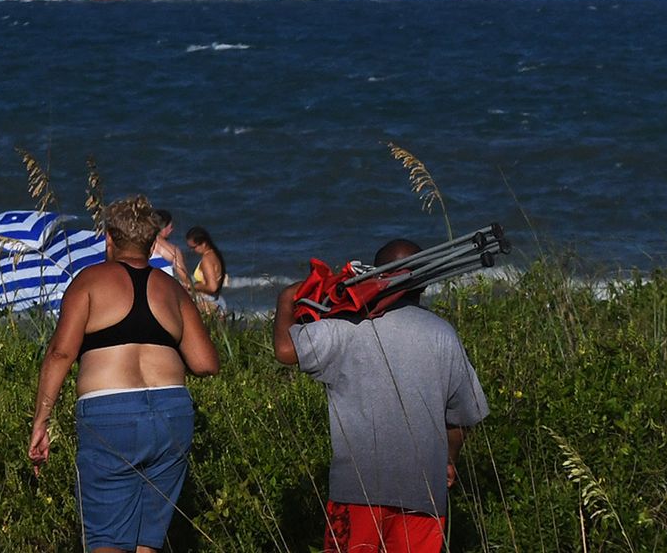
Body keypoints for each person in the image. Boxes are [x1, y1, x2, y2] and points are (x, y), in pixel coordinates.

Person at [274, 238, 489, 553]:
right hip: (424, 495)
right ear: (423, 284)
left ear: (374, 278)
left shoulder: (346, 326)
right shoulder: (442, 334)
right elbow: (460, 418)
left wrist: (284, 300)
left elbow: (284, 350)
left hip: (356, 491)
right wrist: (449, 459)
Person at [30, 196, 220, 553]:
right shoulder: (173, 290)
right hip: (171, 413)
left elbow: (60, 353)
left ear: (109, 239)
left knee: (107, 541)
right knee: (148, 542)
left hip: (110, 414)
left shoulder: (89, 281)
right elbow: (206, 363)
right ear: (152, 244)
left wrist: (42, 420)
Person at [184, 226, 226, 314]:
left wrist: (192, 286)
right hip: (215, 300)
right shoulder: (214, 254)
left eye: (193, 247)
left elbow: (212, 287)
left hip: (209, 304)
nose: (191, 251)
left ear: (203, 244)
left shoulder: (207, 260)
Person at [151, 210, 185, 280]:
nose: (172, 229)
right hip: (165, 287)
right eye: (171, 226)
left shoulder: (140, 245)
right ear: (164, 227)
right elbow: (184, 277)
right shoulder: (173, 250)